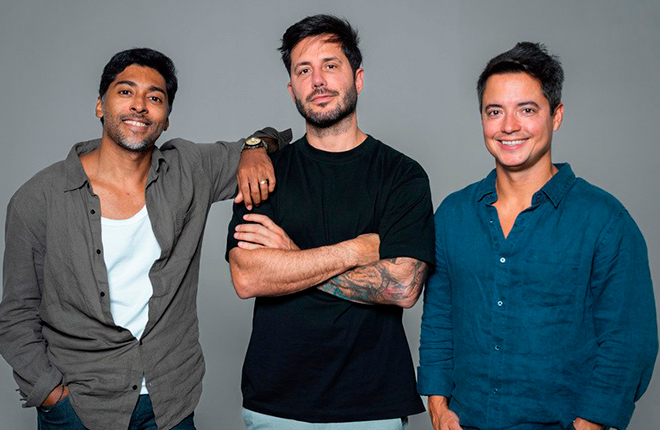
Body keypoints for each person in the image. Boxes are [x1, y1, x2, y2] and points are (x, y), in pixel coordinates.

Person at [0, 47, 289, 430]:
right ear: (100, 105)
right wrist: (50, 392)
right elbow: (16, 314)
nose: (139, 105)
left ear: (166, 118)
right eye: (125, 92)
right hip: (78, 406)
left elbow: (274, 138)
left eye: (154, 98)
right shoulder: (39, 198)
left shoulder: (189, 169)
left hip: (169, 403)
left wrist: (253, 148)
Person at [417, 42, 658, 430]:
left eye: (527, 110)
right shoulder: (453, 215)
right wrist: (438, 404)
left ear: (556, 116)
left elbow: (629, 340)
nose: (509, 126)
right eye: (495, 111)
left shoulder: (605, 220)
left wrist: (590, 424)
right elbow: (439, 321)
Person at [226, 14, 434, 430]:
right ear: (292, 89)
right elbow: (248, 278)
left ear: (358, 78)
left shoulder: (402, 175)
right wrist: (355, 251)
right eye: (304, 70)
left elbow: (402, 286)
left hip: (373, 407)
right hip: (275, 406)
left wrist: (290, 258)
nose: (317, 80)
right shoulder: (264, 173)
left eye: (330, 65)